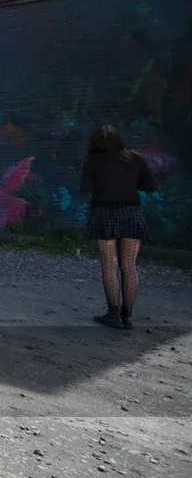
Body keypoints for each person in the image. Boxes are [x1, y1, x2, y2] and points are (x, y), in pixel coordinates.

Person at [80, 124, 159, 331]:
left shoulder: (92, 163)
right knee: (129, 266)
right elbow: (150, 186)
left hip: (103, 213)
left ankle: (113, 314)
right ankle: (128, 316)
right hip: (131, 213)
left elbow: (86, 188)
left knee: (109, 265)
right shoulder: (136, 158)